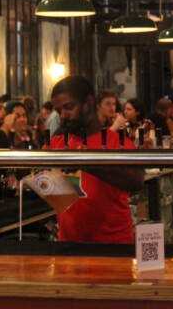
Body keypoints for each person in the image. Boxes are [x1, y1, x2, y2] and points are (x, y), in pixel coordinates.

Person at [48, 76, 144, 243]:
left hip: (112, 245)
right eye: (58, 111)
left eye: (69, 107)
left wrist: (86, 162)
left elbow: (136, 180)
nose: (63, 115)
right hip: (69, 246)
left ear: (89, 103)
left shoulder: (115, 142)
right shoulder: (58, 142)